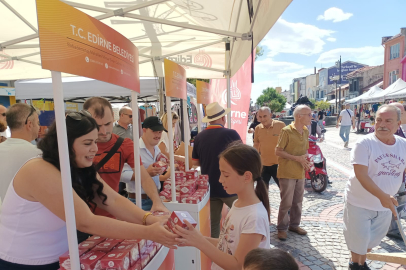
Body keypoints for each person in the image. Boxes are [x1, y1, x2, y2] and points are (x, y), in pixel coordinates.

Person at [0, 110, 178, 270]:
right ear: (64, 144)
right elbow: (86, 221)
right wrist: (147, 232)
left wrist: (149, 220)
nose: (94, 149)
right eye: (87, 143)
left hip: (62, 257)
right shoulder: (39, 169)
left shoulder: (78, 167)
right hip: (21, 262)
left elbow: (112, 200)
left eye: (95, 142)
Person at [175, 143, 270, 270]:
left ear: (247, 176)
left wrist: (199, 241)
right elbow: (225, 245)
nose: (220, 180)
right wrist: (194, 238)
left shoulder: (255, 217)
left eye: (226, 175)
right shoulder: (237, 204)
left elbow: (238, 265)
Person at [344, 105, 406, 270]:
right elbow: (361, 175)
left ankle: (359, 261)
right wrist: (383, 196)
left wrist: (386, 198)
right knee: (359, 240)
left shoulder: (403, 144)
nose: (382, 124)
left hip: (386, 205)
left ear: (398, 123)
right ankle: (356, 265)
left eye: (388, 120)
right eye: (378, 120)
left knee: (372, 241)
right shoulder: (364, 143)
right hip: (359, 202)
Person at [83, 97, 168, 218]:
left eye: (107, 124)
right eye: (97, 126)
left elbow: (143, 176)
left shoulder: (125, 145)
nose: (103, 131)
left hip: (112, 214)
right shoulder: (76, 145)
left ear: (113, 116)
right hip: (80, 215)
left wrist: (156, 200)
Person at [192, 102, 241, 238]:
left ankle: (216, 254)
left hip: (209, 187)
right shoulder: (231, 133)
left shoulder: (199, 137)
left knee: (213, 224)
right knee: (243, 218)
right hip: (230, 186)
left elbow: (195, 162)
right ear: (223, 118)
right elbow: (243, 157)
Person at [275, 105, 312, 241]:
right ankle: (282, 228)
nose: (311, 117)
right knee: (286, 202)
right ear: (298, 116)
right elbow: (278, 151)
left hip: (300, 172)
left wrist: (306, 160)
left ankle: (294, 225)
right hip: (287, 172)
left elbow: (305, 151)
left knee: (298, 201)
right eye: (308, 114)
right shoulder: (286, 131)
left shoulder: (305, 131)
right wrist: (297, 158)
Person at [0, 104, 41, 204]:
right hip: (26, 216)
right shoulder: (37, 155)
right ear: (30, 124)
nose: (39, 127)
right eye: (38, 123)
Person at [127, 116, 166, 211]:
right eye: (154, 131)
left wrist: (163, 167)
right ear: (144, 130)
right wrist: (146, 173)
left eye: (160, 132)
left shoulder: (156, 148)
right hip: (139, 201)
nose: (158, 135)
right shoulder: (133, 149)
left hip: (155, 198)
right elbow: (123, 175)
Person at [253, 107, 285, 188]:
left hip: (279, 164)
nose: (262, 119)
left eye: (265, 116)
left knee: (284, 190)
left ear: (270, 115)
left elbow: (288, 143)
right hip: (263, 165)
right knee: (262, 191)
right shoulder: (257, 128)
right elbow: (256, 144)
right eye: (260, 117)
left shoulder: (281, 125)